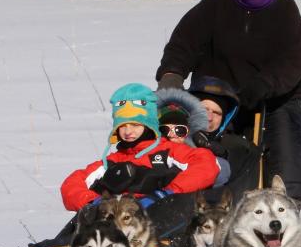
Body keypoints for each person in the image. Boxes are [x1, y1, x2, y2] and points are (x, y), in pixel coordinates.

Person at [155, 0, 301, 206]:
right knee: (191, 141)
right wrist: (172, 74)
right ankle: (188, 202)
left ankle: (287, 206)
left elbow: (292, 60)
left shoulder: (285, 9)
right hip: (220, 95)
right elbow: (184, 42)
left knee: (285, 147)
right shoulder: (216, 3)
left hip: (272, 96)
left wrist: (264, 84)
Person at [60, 82, 221, 237]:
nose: (128, 131)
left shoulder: (168, 151)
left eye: (135, 125)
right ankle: (55, 246)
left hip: (162, 219)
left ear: (149, 124)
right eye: (123, 125)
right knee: (87, 215)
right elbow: (72, 184)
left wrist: (169, 192)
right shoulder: (113, 161)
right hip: (115, 225)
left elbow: (206, 165)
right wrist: (94, 202)